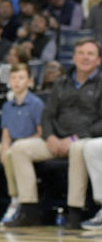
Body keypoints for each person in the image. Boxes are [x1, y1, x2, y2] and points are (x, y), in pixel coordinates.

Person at [6, 38, 102, 228]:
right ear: (73, 57)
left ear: (98, 60)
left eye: (90, 54)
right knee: (19, 149)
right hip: (56, 140)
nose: (85, 57)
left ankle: (74, 213)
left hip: (86, 139)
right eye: (81, 53)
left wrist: (75, 137)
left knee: (77, 149)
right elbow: (47, 115)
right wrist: (50, 137)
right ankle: (29, 209)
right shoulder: (62, 82)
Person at [0, 62, 43, 224]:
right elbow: (5, 132)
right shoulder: (7, 106)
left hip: (29, 144)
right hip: (11, 143)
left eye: (21, 78)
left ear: (29, 81)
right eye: (13, 78)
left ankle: (15, 201)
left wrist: (14, 147)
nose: (17, 81)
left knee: (13, 153)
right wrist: (5, 147)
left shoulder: (36, 104)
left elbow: (41, 133)